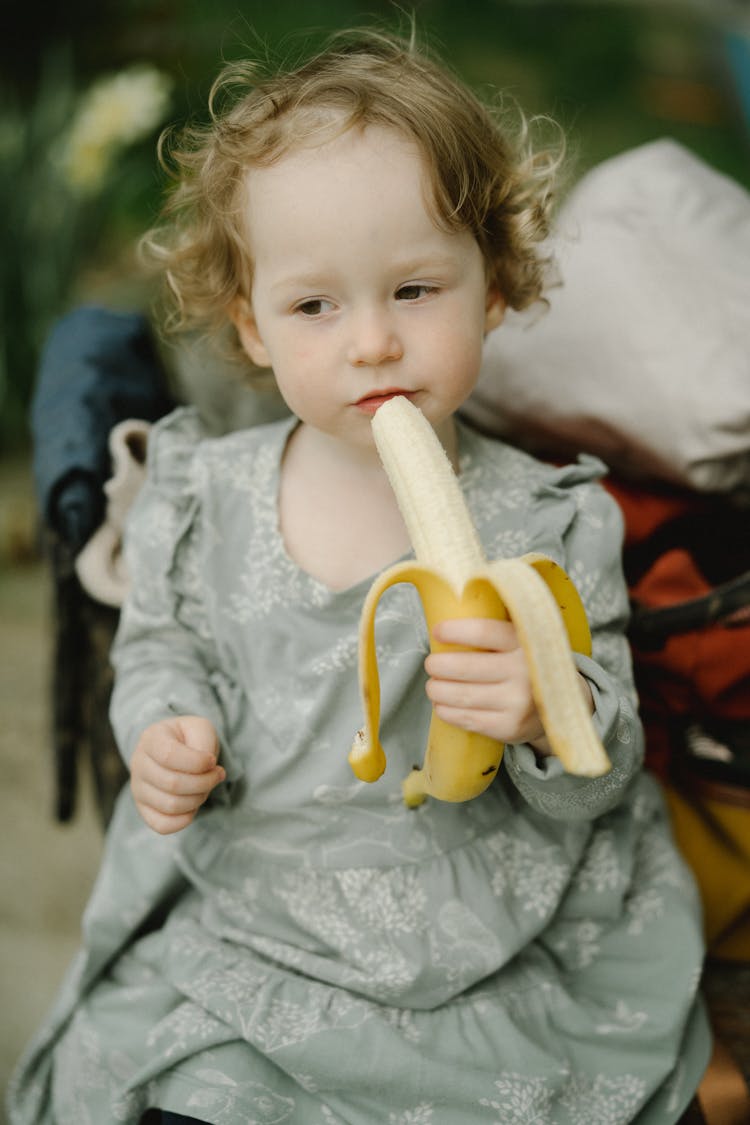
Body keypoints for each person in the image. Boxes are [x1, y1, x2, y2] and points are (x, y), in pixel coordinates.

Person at [7, 27, 711, 1125]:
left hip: (489, 921)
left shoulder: (548, 519)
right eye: (315, 307)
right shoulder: (203, 493)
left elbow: (602, 772)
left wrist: (540, 710)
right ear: (252, 325)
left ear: (497, 288)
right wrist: (163, 730)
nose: (374, 343)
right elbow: (159, 650)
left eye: (417, 290)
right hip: (260, 906)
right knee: (172, 1084)